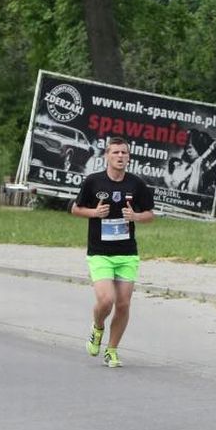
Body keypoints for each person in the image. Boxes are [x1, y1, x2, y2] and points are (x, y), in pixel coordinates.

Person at [73, 136, 157, 369]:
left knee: (122, 304)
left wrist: (136, 216)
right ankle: (97, 327)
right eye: (115, 152)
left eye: (124, 153)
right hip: (100, 252)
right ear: (107, 156)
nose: (120, 156)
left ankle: (111, 350)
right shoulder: (93, 182)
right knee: (106, 300)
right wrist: (94, 213)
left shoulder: (136, 184)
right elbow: (76, 209)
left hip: (127, 253)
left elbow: (150, 214)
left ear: (129, 157)